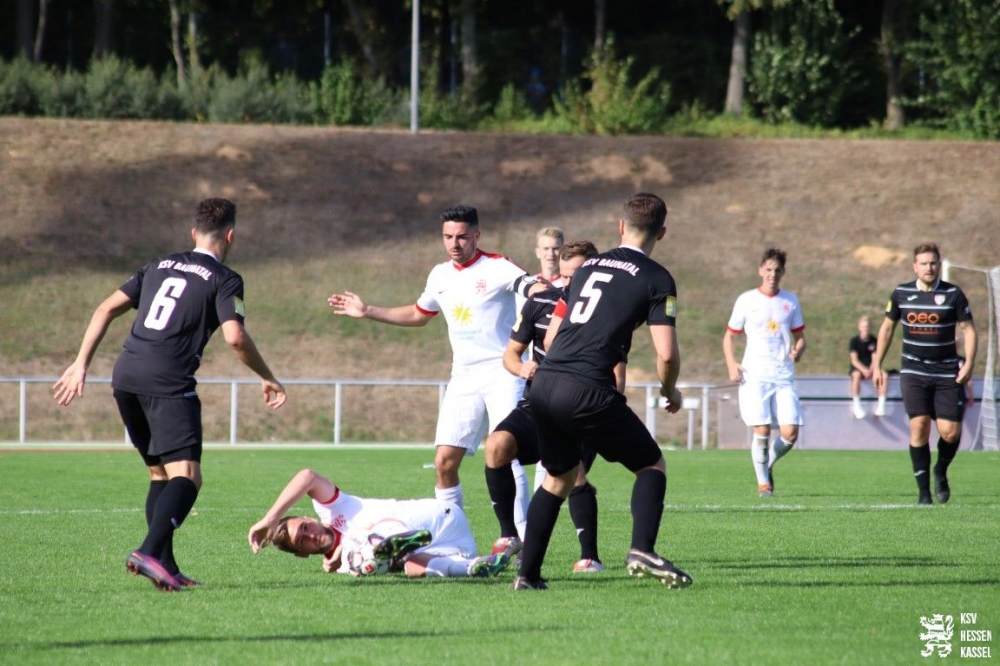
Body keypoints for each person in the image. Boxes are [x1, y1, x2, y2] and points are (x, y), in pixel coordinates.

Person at [52, 198, 287, 592]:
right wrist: (268, 376)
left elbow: (105, 309)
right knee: (188, 476)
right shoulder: (225, 278)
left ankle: (166, 565)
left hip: (126, 375)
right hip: (168, 382)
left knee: (159, 473)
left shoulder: (158, 265)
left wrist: (80, 363)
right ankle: (147, 551)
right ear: (230, 235)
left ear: (193, 233)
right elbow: (235, 337)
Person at [512, 192, 691, 591]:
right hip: (587, 388)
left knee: (557, 478)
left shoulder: (587, 266)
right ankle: (642, 549)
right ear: (662, 232)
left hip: (544, 383)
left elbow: (552, 335)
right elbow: (666, 354)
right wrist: (670, 391)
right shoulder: (658, 278)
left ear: (621, 226)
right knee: (651, 466)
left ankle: (527, 575)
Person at [327, 205, 544, 519]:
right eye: (448, 236)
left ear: (477, 236)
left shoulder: (498, 266)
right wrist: (368, 310)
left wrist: (550, 297)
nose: (454, 243)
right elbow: (419, 314)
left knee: (505, 454)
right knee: (444, 462)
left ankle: (518, 537)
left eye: (462, 236)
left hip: (504, 373)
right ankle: (452, 533)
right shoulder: (440, 275)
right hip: (464, 376)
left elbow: (534, 288)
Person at [485, 240, 614, 573]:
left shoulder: (611, 310)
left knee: (572, 473)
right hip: (538, 402)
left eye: (578, 276)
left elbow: (618, 368)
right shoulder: (539, 302)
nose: (570, 284)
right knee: (496, 446)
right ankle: (509, 535)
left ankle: (589, 557)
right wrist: (522, 368)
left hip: (583, 405)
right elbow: (511, 356)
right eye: (566, 276)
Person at [248, 469, 513, 578]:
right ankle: (476, 566)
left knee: (367, 547)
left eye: (305, 528)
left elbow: (307, 476)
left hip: (436, 518)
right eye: (302, 541)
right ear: (302, 554)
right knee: (408, 565)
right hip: (455, 548)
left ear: (309, 519)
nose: (310, 536)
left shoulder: (332, 508)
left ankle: (384, 544)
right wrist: (339, 560)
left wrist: (271, 518)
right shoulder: (342, 567)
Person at [872, 243, 977, 505]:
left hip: (947, 371)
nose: (928, 268)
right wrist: (876, 364)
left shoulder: (953, 294)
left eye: (932, 263)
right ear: (914, 266)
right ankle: (924, 494)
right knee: (919, 427)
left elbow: (968, 330)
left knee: (950, 432)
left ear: (938, 265)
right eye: (923, 263)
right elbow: (887, 329)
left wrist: (969, 364)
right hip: (913, 370)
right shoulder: (901, 293)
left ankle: (940, 470)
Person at [722, 247, 807, 498]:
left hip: (783, 375)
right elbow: (729, 336)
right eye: (768, 269)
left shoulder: (790, 301)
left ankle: (766, 463)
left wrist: (798, 351)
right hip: (755, 374)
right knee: (762, 430)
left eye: (777, 270)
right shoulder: (746, 300)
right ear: (761, 270)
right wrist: (731, 363)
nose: (772, 274)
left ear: (783, 273)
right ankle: (764, 486)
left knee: (790, 434)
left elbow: (800, 338)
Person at [848, 315, 887, 418]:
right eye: (863, 326)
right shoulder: (854, 341)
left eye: (867, 326)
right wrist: (864, 370)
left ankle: (881, 406)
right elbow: (854, 360)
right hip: (858, 368)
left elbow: (875, 357)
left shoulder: (873, 340)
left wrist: (871, 369)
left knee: (884, 375)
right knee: (856, 375)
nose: (865, 329)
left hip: (871, 368)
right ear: (859, 327)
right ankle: (856, 406)